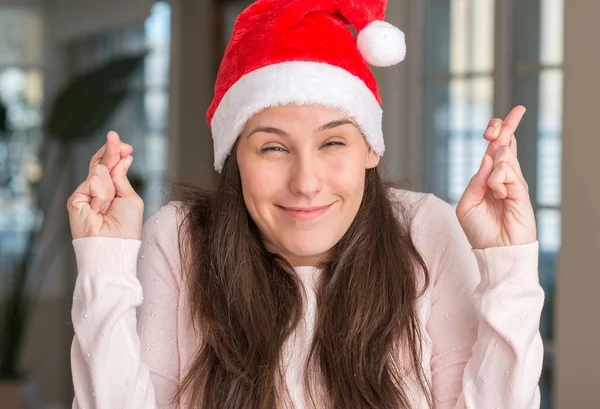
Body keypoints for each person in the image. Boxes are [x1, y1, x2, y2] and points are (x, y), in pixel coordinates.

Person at [66, 0, 544, 408]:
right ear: (233, 157)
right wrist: (103, 264)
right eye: (273, 148)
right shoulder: (178, 238)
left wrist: (509, 267)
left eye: (333, 143)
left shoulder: (425, 230)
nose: (307, 183)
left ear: (370, 150)